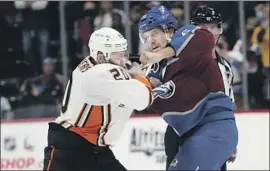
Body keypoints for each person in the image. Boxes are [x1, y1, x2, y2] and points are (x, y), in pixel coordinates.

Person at [135, 5, 238, 170]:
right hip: (181, 129)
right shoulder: (158, 66)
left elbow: (200, 39)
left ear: (170, 31)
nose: (150, 41)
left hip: (210, 127)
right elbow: (146, 90)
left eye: (154, 33)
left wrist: (156, 56)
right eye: (146, 37)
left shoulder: (214, 56)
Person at [43, 27, 158, 171]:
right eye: (118, 55)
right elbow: (142, 99)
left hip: (92, 149)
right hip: (70, 151)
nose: (123, 60)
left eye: (123, 53)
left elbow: (129, 64)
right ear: (101, 55)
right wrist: (142, 78)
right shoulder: (100, 72)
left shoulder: (94, 65)